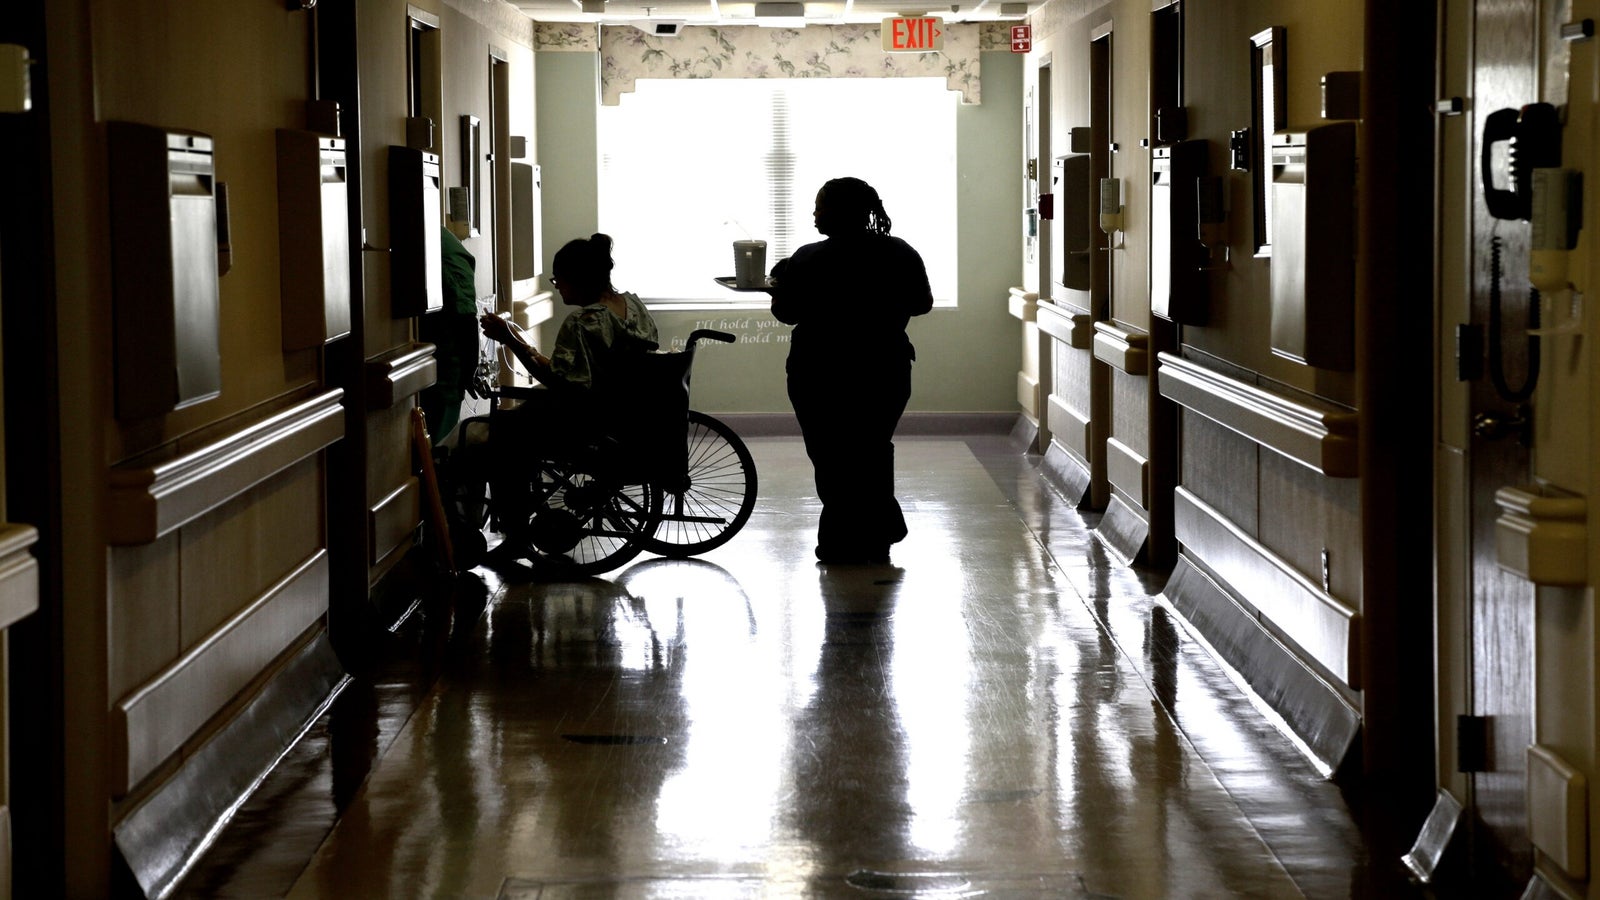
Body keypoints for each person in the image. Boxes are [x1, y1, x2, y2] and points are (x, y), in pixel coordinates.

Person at [768, 177, 933, 564]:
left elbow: (787, 313)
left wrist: (778, 286)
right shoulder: (899, 252)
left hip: (817, 370)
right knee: (871, 450)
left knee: (830, 456)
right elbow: (922, 303)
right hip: (884, 367)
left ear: (838, 212)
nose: (813, 214)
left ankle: (843, 542)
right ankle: (877, 537)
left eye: (820, 206)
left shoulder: (806, 259)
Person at [476, 233, 660, 542]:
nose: (556, 286)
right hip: (628, 415)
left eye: (557, 279)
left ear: (576, 278)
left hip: (590, 422)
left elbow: (557, 379)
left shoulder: (583, 322)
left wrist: (509, 339)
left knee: (504, 431)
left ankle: (515, 529)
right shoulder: (633, 307)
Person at [418, 226, 480, 445]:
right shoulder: (441, 240)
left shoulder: (440, 248)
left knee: (438, 446)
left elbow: (466, 318)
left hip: (445, 367)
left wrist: (470, 369)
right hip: (437, 365)